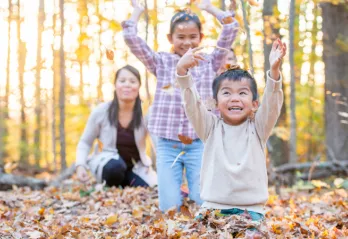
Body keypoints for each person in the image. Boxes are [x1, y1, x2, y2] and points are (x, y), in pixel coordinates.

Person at [122, 0, 239, 211]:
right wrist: (137, 12)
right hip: (168, 144)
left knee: (203, 202)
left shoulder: (211, 62)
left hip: (199, 143)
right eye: (181, 37)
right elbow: (131, 39)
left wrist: (210, 8)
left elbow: (231, 27)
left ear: (201, 38)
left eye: (193, 37)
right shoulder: (162, 62)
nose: (187, 42)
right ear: (170, 39)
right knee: (169, 207)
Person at [175, 39, 286, 221]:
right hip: (212, 209)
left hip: (251, 212)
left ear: (254, 104)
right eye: (226, 92)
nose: (234, 98)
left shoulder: (259, 128)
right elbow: (192, 103)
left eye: (242, 93)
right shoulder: (210, 127)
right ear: (215, 103)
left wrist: (274, 73)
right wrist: (182, 72)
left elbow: (272, 103)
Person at [75, 65, 157, 188]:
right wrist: (80, 165)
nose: (127, 85)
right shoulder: (101, 111)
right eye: (122, 81)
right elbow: (85, 142)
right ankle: (110, 186)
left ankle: (127, 183)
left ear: (139, 86)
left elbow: (158, 144)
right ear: (115, 85)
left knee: (149, 187)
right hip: (107, 163)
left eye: (132, 81)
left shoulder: (146, 114)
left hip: (135, 167)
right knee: (115, 167)